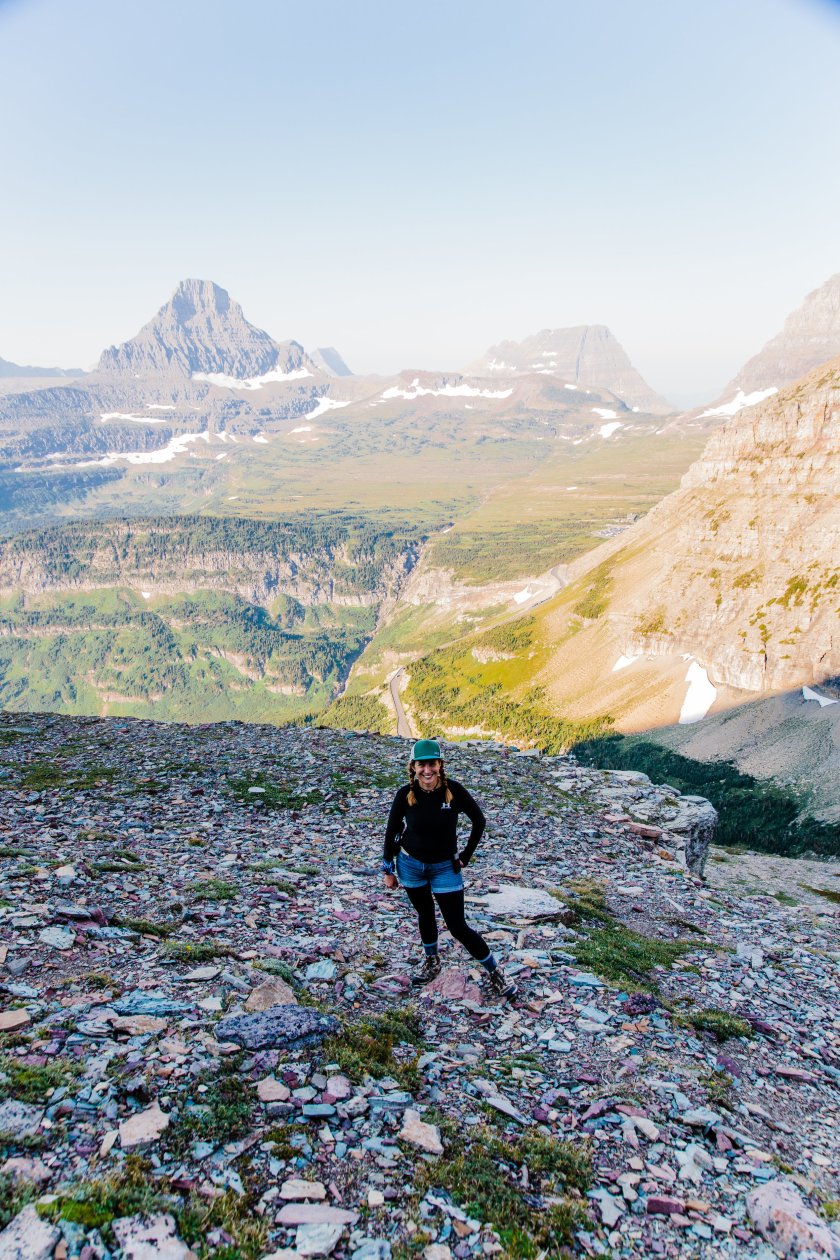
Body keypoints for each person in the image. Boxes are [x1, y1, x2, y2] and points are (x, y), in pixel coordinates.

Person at [381, 738, 517, 999]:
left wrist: (465, 856)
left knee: (457, 926)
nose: (427, 771)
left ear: (440, 765)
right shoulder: (404, 795)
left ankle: (496, 973)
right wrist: (388, 870)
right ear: (413, 767)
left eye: (431, 764)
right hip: (409, 864)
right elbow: (392, 831)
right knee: (425, 913)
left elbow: (479, 821)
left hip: (445, 866)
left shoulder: (453, 791)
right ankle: (432, 961)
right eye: (421, 765)